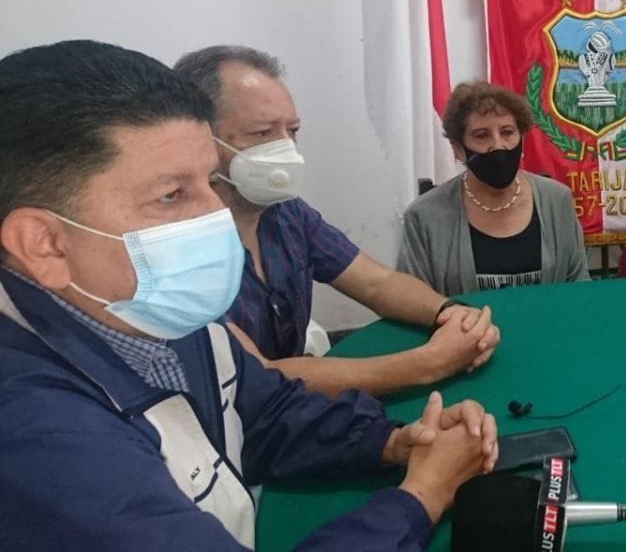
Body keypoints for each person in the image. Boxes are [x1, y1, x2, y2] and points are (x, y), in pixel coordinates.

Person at [0, 40, 498, 550]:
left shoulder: (154, 313)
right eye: (172, 195)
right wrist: (420, 496)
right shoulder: (42, 440)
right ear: (43, 244)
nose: (216, 214)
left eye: (207, 179)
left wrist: (391, 441)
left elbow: (264, 412)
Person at [175, 46, 499, 398]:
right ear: (199, 140)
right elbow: (260, 376)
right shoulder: (176, 251)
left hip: (298, 412)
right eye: (263, 133)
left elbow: (377, 283)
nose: (287, 150)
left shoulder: (288, 214)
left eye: (292, 131)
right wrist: (431, 362)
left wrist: (452, 314)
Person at [399, 81, 589, 294]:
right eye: (482, 135)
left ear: (521, 138)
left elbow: (579, 285)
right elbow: (411, 298)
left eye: (507, 132)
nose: (498, 145)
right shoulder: (424, 216)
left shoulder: (557, 199)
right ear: (458, 148)